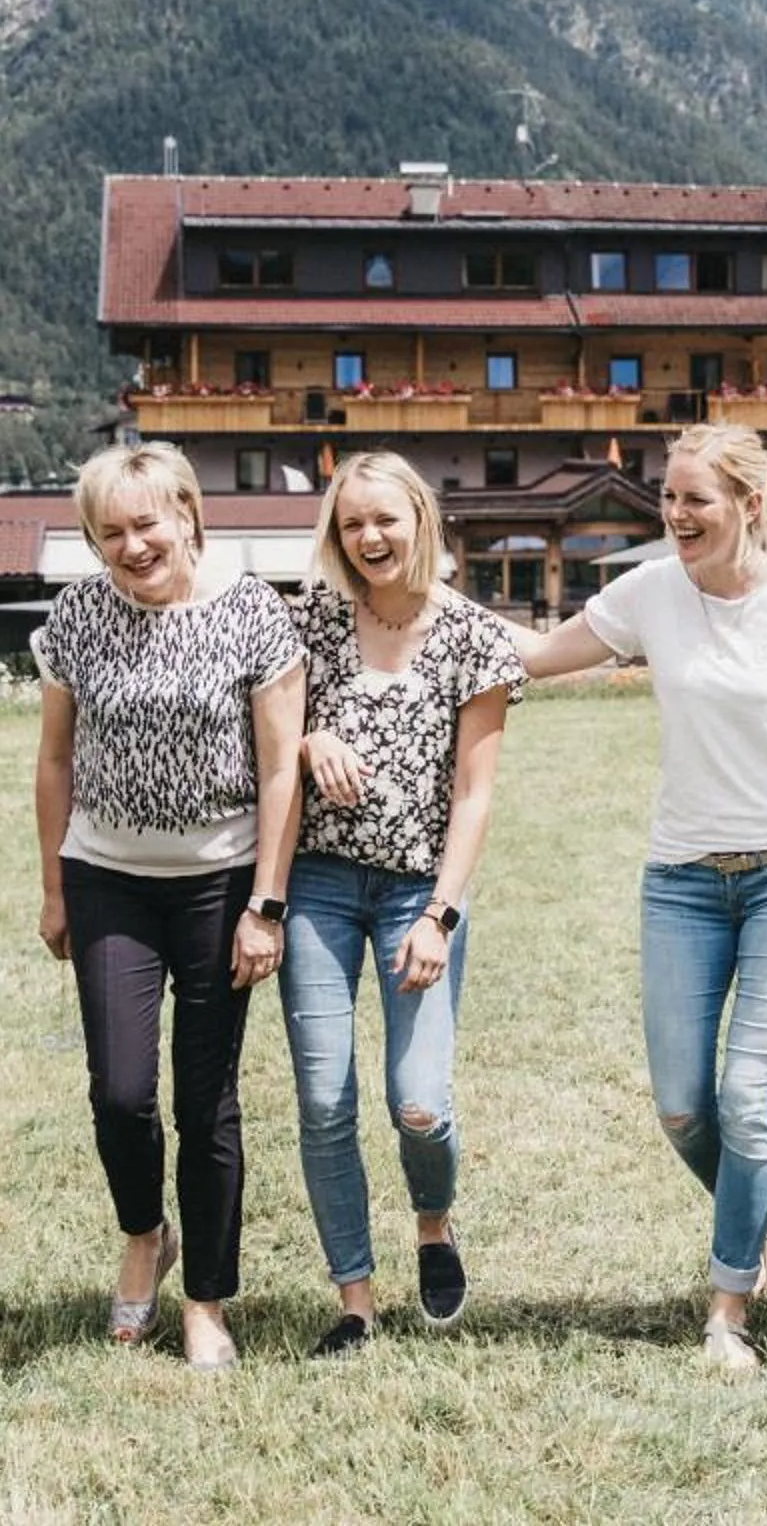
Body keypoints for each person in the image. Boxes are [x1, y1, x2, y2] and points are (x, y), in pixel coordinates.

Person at [511, 423, 767, 1372]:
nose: (675, 515)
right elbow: (534, 657)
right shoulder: (647, 593)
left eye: (694, 499)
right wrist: (418, 597)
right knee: (682, 1108)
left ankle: (727, 1313)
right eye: (667, 498)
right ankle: (753, 1204)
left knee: (746, 1098)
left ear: (748, 503)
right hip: (680, 881)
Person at [33, 442, 304, 1371]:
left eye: (146, 523)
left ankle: (206, 1305)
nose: (131, 546)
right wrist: (54, 884)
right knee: (118, 1092)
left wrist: (266, 902)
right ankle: (145, 1234)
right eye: (109, 532)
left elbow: (281, 769)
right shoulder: (77, 615)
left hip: (221, 882)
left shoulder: (253, 611)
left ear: (188, 514)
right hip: (108, 877)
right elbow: (56, 759)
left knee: (207, 1099)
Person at [283, 452, 526, 1357]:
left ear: (421, 518)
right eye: (352, 525)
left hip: (416, 895)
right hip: (317, 882)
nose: (370, 538)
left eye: (385, 519)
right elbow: (270, 730)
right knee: (321, 1096)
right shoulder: (309, 620)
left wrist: (440, 914)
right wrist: (311, 739)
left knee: (419, 1103)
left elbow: (475, 793)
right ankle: (355, 1301)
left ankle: (434, 1223)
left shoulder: (475, 637)